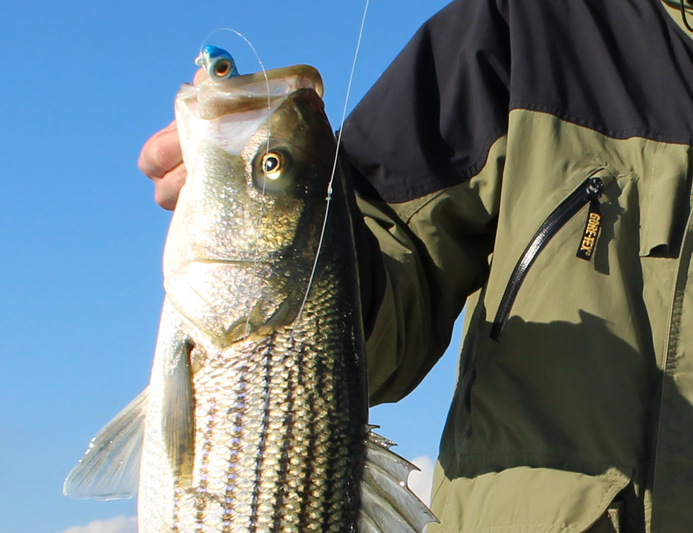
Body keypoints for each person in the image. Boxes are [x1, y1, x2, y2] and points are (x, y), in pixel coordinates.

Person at [139, 0, 693, 531]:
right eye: (272, 164)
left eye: (270, 163)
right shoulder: (527, 26)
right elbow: (387, 253)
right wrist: (283, 216)